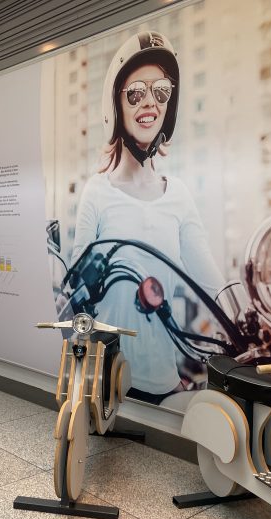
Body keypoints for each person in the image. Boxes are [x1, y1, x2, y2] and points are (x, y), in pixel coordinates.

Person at [70, 31, 225, 404]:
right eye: (136, 92)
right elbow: (76, 286)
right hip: (107, 378)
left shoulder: (179, 195)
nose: (150, 103)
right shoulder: (96, 191)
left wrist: (257, 326)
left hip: (163, 383)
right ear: (116, 105)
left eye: (162, 92)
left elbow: (213, 286)